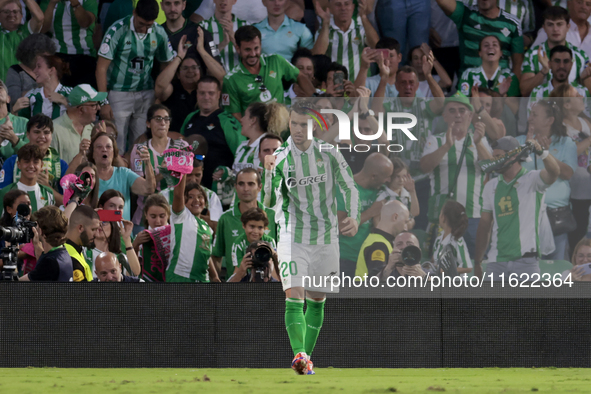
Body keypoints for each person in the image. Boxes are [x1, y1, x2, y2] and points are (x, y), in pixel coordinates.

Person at [262, 102, 360, 375]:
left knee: (317, 300)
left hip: (327, 237)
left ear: (314, 126)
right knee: (294, 296)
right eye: (293, 123)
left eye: (304, 124)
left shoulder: (329, 153)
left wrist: (354, 216)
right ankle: (299, 355)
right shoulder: (280, 157)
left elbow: (348, 185)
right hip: (293, 235)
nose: (298, 129)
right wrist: (268, 172)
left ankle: (305, 362)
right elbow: (268, 202)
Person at [474, 136, 561, 280]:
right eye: (493, 157)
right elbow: (484, 226)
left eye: (499, 156)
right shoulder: (491, 186)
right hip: (496, 261)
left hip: (526, 262)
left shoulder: (533, 179)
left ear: (514, 155)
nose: (494, 161)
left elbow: (554, 172)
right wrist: (478, 261)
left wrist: (542, 152)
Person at [96, 0, 176, 153]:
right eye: (141, 23)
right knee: (115, 143)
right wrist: (104, 101)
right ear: (134, 13)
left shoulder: (159, 32)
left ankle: (137, 176)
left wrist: (159, 95)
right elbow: (101, 67)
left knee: (140, 146)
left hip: (145, 93)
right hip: (119, 93)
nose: (144, 29)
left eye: (149, 25)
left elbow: (166, 63)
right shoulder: (117, 30)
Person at [420, 96, 493, 257]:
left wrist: (479, 143)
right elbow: (425, 167)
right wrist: (447, 145)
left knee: (476, 266)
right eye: (452, 111)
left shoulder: (481, 140)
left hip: (473, 216)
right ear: (445, 116)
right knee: (441, 266)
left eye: (462, 111)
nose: (457, 115)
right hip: (443, 218)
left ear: (470, 116)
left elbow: (491, 167)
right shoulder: (435, 140)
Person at [517, 99, 577, 261]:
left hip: (555, 218)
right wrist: (527, 147)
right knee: (527, 270)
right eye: (530, 113)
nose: (530, 118)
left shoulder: (566, 143)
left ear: (549, 120)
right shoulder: (519, 141)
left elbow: (568, 174)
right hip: (525, 215)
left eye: (535, 114)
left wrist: (545, 154)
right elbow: (512, 173)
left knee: (556, 270)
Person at [221, 25, 314, 120]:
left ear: (261, 45)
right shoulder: (231, 80)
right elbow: (234, 115)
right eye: (247, 50)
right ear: (238, 48)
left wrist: (314, 99)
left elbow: (300, 76)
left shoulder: (276, 61)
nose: (253, 54)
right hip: (255, 133)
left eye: (256, 48)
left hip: (283, 128)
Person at [181, 76, 244, 189]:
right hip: (190, 188)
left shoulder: (228, 121)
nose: (206, 97)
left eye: (211, 93)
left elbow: (241, 154)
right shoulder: (190, 118)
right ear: (197, 94)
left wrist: (230, 175)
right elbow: (180, 147)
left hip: (219, 189)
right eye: (202, 93)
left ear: (219, 94)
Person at [128, 104, 187, 226]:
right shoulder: (139, 150)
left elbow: (189, 180)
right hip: (145, 218)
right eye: (158, 119)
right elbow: (142, 188)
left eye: (166, 119)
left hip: (175, 216)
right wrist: (163, 174)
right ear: (148, 123)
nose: (163, 123)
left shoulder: (181, 147)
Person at [211, 168, 276, 278]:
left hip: (268, 285)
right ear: (235, 187)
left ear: (260, 187)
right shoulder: (225, 219)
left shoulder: (273, 216)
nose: (246, 189)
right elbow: (217, 255)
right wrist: (216, 282)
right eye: (241, 184)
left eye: (251, 184)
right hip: (236, 288)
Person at [337, 152, 393, 278]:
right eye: (386, 177)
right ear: (373, 176)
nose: (388, 180)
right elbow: (340, 227)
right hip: (345, 260)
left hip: (371, 259)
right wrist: (371, 212)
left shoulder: (380, 190)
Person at [434, 0, 524, 76]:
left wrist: (512, 92)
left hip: (499, 89)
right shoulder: (465, 13)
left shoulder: (512, 24)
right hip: (468, 87)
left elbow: (517, 64)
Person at [521, 6, 591, 97]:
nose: (555, 29)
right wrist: (543, 71)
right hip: (542, 108)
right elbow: (524, 91)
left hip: (571, 109)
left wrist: (583, 79)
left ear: (568, 27)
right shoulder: (532, 54)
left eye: (559, 24)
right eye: (550, 24)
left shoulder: (581, 56)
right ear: (544, 28)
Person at [0, 114, 68, 205]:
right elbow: (2, 197)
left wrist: (47, 187)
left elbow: (67, 203)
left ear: (52, 135)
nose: (42, 136)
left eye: (46, 132)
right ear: (28, 135)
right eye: (36, 132)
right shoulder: (11, 162)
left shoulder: (61, 165)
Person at [89, 132, 156, 221]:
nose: (104, 150)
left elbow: (149, 189)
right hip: (97, 232)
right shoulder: (88, 176)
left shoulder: (124, 174)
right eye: (99, 147)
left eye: (108, 147)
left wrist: (147, 163)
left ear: (114, 153)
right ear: (93, 153)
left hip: (123, 233)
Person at [557, 84, 591, 254]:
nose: (581, 97)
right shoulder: (561, 128)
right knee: (576, 235)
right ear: (566, 105)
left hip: (588, 187)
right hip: (573, 192)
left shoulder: (585, 122)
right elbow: (568, 153)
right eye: (576, 95)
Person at [167, 172, 220, 282]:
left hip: (202, 279)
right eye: (190, 197)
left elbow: (206, 253)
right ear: (183, 201)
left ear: (205, 202)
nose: (196, 200)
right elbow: (178, 195)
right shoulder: (181, 217)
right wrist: (183, 172)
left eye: (200, 197)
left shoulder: (207, 227)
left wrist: (214, 276)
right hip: (180, 277)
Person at [312, 0, 379, 81]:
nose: (343, 8)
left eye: (347, 4)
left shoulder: (361, 28)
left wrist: (363, 17)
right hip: (334, 84)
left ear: (353, 7)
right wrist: (326, 24)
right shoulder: (324, 30)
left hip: (359, 84)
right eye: (338, 4)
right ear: (330, 9)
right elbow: (317, 56)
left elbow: (377, 47)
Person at [161, 0, 224, 81]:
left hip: (197, 91)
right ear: (162, 6)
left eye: (177, 3)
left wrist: (201, 50)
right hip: (165, 90)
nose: (172, 9)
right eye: (168, 4)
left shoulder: (201, 33)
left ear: (184, 5)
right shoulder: (156, 34)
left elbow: (221, 74)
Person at [40, 0, 98, 87]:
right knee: (58, 97)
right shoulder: (47, 2)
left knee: (85, 97)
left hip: (84, 55)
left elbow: (85, 22)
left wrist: (75, 3)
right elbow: (42, 29)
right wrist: (52, 3)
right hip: (57, 56)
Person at [159, 158, 223, 230]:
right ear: (181, 174)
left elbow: (216, 226)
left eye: (197, 175)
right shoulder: (164, 196)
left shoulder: (211, 196)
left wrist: (180, 215)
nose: (193, 179)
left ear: (202, 172)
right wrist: (200, 215)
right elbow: (158, 224)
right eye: (189, 175)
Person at [154, 38, 201, 133]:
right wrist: (179, 57)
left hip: (199, 139)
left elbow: (222, 77)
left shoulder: (205, 90)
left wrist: (201, 50)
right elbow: (160, 86)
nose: (190, 71)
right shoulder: (172, 89)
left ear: (200, 72)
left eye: (194, 67)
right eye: (185, 68)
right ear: (178, 74)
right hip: (172, 139)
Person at [50, 84, 105, 164]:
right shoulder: (53, 129)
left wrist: (102, 139)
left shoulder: (94, 130)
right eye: (94, 105)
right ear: (81, 109)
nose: (98, 108)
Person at [356, 200, 410, 278]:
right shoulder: (379, 245)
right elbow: (377, 281)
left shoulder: (376, 239)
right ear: (395, 217)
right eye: (405, 222)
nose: (406, 228)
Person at [19, 206, 72, 282]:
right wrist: (36, 244)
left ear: (40, 231)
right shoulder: (63, 253)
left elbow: (16, 284)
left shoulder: (50, 263)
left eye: (36, 225)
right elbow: (42, 263)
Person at [12, 55, 72, 119]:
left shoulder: (70, 93)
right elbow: (20, 124)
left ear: (51, 70)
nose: (34, 71)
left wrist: (64, 101)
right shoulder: (31, 96)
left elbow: (81, 117)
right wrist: (14, 111)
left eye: (39, 66)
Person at [0, 144, 55, 214]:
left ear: (41, 165)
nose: (31, 166)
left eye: (35, 162)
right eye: (26, 161)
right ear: (19, 164)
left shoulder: (48, 193)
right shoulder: (5, 192)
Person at [228, 207, 277, 282]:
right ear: (244, 225)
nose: (256, 231)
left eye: (260, 227)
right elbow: (238, 270)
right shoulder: (238, 244)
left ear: (265, 228)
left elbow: (274, 270)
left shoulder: (270, 241)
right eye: (252, 226)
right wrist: (244, 266)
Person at [199, 0, 249, 73]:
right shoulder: (203, 27)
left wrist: (232, 36)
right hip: (214, 78)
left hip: (240, 78)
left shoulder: (245, 26)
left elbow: (250, 55)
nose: (223, 0)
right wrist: (223, 44)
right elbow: (203, 57)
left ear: (234, 1)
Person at [5, 33, 57, 104]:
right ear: (30, 55)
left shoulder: (51, 70)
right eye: (43, 57)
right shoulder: (15, 71)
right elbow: (14, 98)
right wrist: (41, 90)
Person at [0, 0, 44, 81]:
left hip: (25, 87)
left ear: (21, 15)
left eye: (15, 11)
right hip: (2, 88)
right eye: (6, 12)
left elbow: (39, 18)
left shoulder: (26, 31)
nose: (11, 14)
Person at [133, 193, 171, 281]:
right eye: (153, 216)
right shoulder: (139, 237)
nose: (158, 221)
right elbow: (133, 271)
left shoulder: (175, 235)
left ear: (168, 215)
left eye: (162, 216)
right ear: (146, 215)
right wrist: (135, 245)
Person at [375, 158, 419, 229]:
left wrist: (412, 191)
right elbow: (376, 219)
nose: (401, 180)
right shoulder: (382, 195)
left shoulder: (406, 194)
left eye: (404, 176)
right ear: (389, 177)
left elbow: (415, 213)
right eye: (397, 176)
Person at [431, 200, 472, 276]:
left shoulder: (457, 241)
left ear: (443, 217)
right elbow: (434, 261)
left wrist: (445, 270)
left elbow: (468, 267)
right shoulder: (439, 239)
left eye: (440, 213)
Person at [64, 204, 100, 282]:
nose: (96, 234)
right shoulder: (70, 258)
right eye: (93, 229)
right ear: (80, 228)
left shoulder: (75, 250)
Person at [0, 79, 29, 160]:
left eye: (0, 87)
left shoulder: (24, 122)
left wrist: (14, 139)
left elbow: (33, 153)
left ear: (8, 99)